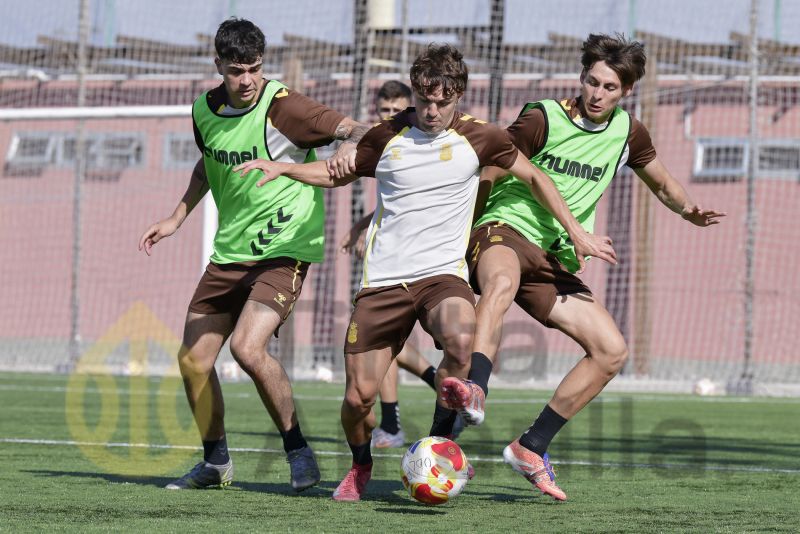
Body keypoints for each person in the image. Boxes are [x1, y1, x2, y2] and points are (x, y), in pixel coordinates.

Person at [235, 43, 615, 501]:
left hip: (442, 276)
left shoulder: (482, 137)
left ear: (458, 96)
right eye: (424, 100)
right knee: (359, 399)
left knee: (461, 337)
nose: (432, 111)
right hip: (383, 282)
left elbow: (536, 177)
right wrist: (282, 168)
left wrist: (574, 231)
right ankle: (360, 465)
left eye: (442, 101)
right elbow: (336, 174)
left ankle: (438, 443)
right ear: (415, 93)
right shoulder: (385, 136)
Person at [442, 33, 726, 501]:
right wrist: (462, 229)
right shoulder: (543, 118)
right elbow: (492, 168)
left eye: (609, 87)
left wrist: (688, 209)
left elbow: (662, 181)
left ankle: (531, 446)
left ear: (626, 92)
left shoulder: (628, 134)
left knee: (611, 350)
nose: (597, 94)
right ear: (581, 78)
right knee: (501, 282)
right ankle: (476, 388)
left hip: (556, 255)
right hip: (505, 229)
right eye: (592, 82)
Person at [137, 17, 368, 492]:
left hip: (284, 248)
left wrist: (346, 143)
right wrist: (176, 217)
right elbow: (208, 162)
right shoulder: (203, 109)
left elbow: (355, 127)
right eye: (237, 70)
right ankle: (215, 463)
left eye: (255, 69)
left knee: (246, 347)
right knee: (193, 361)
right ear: (218, 64)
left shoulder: (282, 106)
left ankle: (297, 450)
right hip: (230, 253)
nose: (247, 81)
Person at [340, 80, 451, 449]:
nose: (391, 116)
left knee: (454, 338)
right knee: (383, 341)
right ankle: (399, 418)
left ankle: (444, 396)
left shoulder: (431, 141)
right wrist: (362, 225)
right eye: (384, 110)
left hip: (432, 257)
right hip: (390, 255)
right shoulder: (384, 141)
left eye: (396, 109)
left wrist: (361, 225)